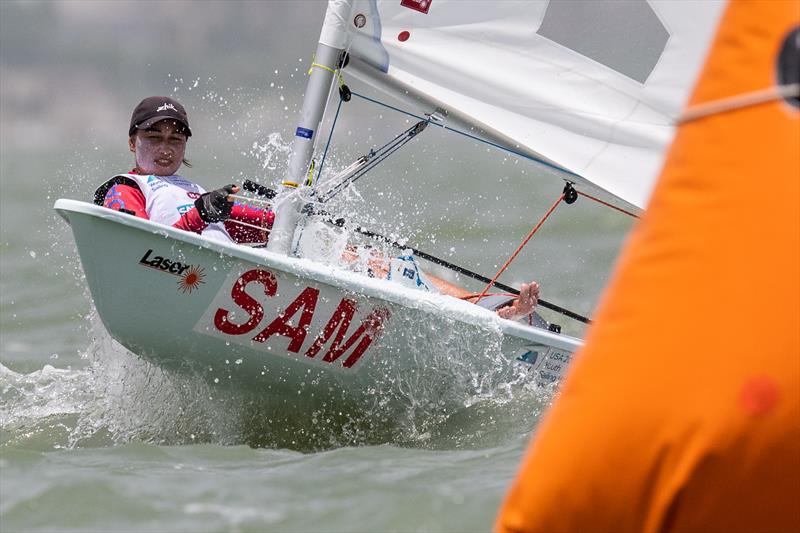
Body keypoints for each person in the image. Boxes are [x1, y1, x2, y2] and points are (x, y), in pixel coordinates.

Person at [97, 96, 539, 321]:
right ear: (133, 142)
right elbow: (135, 242)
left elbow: (250, 228)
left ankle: (485, 307)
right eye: (154, 138)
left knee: (364, 258)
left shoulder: (192, 188)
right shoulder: (127, 186)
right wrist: (204, 213)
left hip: (237, 275)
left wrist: (288, 214)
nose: (165, 148)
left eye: (175, 139)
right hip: (194, 285)